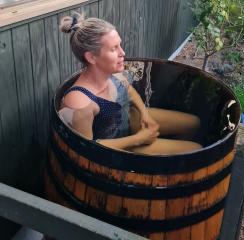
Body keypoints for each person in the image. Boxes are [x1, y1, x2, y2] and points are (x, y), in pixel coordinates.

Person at [59, 13, 201, 155]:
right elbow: (88, 149)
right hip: (117, 147)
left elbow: (129, 90)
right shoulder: (79, 102)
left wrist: (145, 114)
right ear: (91, 57)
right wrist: (138, 139)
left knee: (194, 123)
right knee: (196, 149)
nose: (123, 52)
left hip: (127, 120)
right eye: (114, 49)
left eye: (120, 45)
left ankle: (169, 168)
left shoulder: (112, 72)